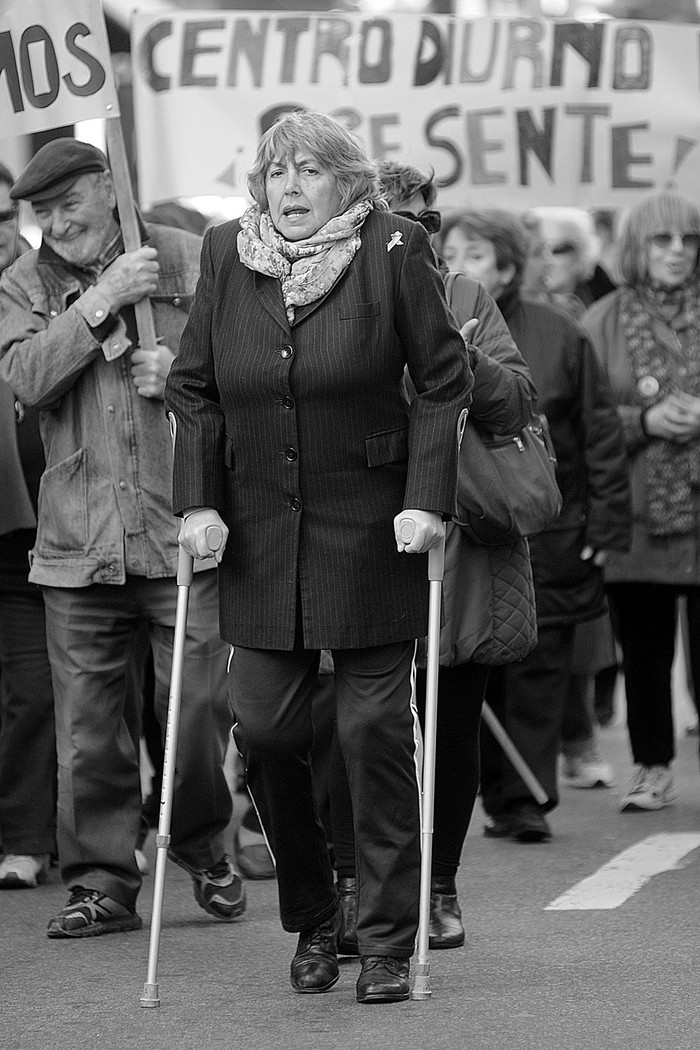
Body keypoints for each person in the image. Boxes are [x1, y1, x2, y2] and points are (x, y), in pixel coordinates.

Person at [164, 110, 472, 1003]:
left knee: (373, 733)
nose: (290, 187)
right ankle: (313, 917)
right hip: (261, 535)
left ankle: (384, 939)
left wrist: (427, 497)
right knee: (264, 733)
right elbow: (194, 385)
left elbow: (443, 377)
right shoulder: (226, 253)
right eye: (275, 172)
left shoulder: (394, 248)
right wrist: (198, 500)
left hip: (371, 529)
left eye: (309, 170)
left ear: (348, 182)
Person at [0, 138, 244, 936]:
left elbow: (252, 370)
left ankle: (201, 842)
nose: (56, 224)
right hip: (77, 542)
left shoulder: (190, 256)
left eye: (69, 203)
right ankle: (102, 882)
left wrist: (181, 376)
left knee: (197, 711)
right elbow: (26, 377)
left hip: (181, 529)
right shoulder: (24, 282)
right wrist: (101, 300)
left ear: (110, 187)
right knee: (87, 735)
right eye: (42, 212)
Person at [325, 159, 538, 954]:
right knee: (356, 724)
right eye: (395, 218)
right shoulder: (322, 295)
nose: (415, 233)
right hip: (357, 535)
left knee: (448, 720)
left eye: (426, 219)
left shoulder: (467, 297)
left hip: (459, 538)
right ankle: (354, 886)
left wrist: (457, 358)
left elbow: (517, 404)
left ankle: (438, 886)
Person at [437, 207, 631, 841]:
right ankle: (483, 794)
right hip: (464, 526)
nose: (459, 268)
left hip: (549, 525)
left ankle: (523, 799)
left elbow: (598, 431)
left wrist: (605, 524)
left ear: (509, 267)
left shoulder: (559, 331)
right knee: (472, 666)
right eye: (450, 254)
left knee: (538, 668)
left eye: (475, 256)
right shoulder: (426, 319)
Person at [582, 189, 700, 811]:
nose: (678, 251)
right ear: (637, 246)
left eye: (689, 239)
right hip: (635, 515)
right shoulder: (601, 320)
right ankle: (652, 767)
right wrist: (646, 421)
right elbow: (581, 419)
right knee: (646, 651)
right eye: (663, 239)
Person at [0, 161, 56, 889]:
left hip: (46, 528)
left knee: (42, 691)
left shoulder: (41, 283)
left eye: (3, 217)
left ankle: (32, 836)